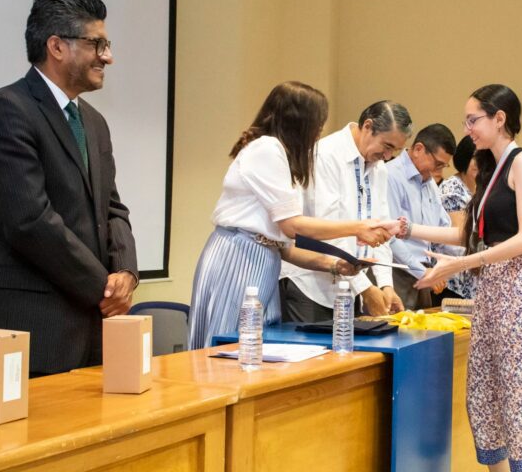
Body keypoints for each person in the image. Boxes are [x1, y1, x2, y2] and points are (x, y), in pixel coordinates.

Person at [0, 0, 138, 376]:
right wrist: (104, 288)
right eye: (96, 44)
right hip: (34, 330)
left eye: (107, 44)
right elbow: (30, 221)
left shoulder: (94, 123)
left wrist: (128, 274)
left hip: (96, 332)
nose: (108, 56)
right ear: (57, 46)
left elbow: (113, 209)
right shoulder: (5, 111)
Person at [400, 84, 522, 472]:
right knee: (482, 391)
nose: (467, 128)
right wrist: (406, 230)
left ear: (500, 119)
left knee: (515, 391)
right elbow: (463, 234)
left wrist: (464, 264)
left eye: (473, 120)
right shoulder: (489, 169)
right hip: (492, 286)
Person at [187, 81, 398, 349]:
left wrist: (334, 265)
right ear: (300, 123)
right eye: (318, 125)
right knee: (229, 344)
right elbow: (292, 226)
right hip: (237, 257)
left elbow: (284, 248)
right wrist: (357, 228)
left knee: (252, 348)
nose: (319, 133)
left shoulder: (279, 155)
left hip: (264, 259)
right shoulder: (266, 149)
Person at [281, 101, 412, 321]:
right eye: (387, 146)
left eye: (395, 151)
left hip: (348, 288)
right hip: (309, 286)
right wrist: (366, 288)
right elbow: (330, 230)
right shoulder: (326, 155)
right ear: (368, 126)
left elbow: (382, 230)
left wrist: (386, 284)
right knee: (313, 355)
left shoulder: (378, 168)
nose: (388, 156)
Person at [386, 123, 456, 309]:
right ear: (418, 149)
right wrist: (423, 273)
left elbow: (443, 228)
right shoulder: (391, 175)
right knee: (398, 335)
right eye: (438, 163)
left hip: (425, 271)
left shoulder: (430, 183)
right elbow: (389, 236)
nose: (439, 171)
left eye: (444, 165)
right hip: (396, 271)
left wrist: (444, 266)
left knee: (423, 334)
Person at [435, 135, 479, 301]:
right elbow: (460, 237)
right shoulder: (452, 189)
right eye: (476, 158)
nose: (481, 164)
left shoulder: (480, 187)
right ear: (465, 157)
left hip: (473, 275)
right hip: (455, 281)